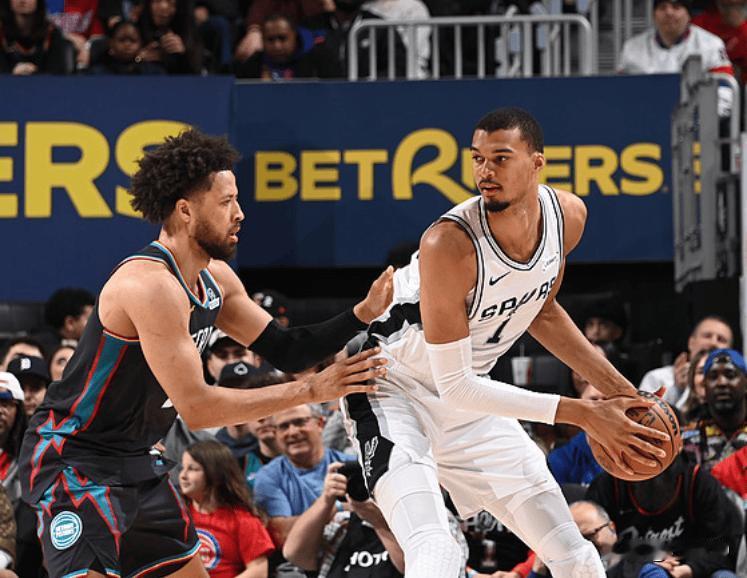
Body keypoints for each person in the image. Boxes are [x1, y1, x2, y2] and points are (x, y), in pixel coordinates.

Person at [18, 128, 393, 578]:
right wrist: (312, 390)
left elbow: (288, 351)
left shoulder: (216, 279)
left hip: (135, 458)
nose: (240, 213)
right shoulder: (150, 285)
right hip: (75, 457)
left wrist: (362, 313)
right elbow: (197, 408)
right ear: (185, 210)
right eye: (226, 202)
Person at [342, 107, 670, 578]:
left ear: (537, 163)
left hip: (468, 395)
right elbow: (455, 386)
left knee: (576, 558)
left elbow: (542, 310)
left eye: (500, 158)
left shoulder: (568, 218)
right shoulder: (448, 243)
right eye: (478, 158)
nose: (485, 171)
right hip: (388, 389)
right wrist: (584, 413)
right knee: (436, 551)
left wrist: (624, 393)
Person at [253, 402, 350, 547]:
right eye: (284, 426)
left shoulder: (351, 464)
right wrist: (337, 508)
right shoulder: (268, 477)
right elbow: (283, 535)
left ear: (320, 424)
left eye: (300, 422)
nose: (292, 432)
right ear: (276, 434)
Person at [179, 441, 275, 578]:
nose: (183, 475)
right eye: (183, 468)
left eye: (192, 469)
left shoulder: (243, 520)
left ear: (215, 474)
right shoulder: (179, 515)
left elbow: (258, 572)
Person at [639, 316, 733, 410]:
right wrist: (677, 390)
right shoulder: (657, 378)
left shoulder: (732, 385)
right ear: (691, 342)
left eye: (721, 339)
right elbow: (645, 415)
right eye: (707, 336)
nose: (713, 343)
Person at [682, 348, 747, 470]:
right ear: (704, 386)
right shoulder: (687, 439)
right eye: (713, 377)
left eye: (730, 375)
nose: (721, 383)